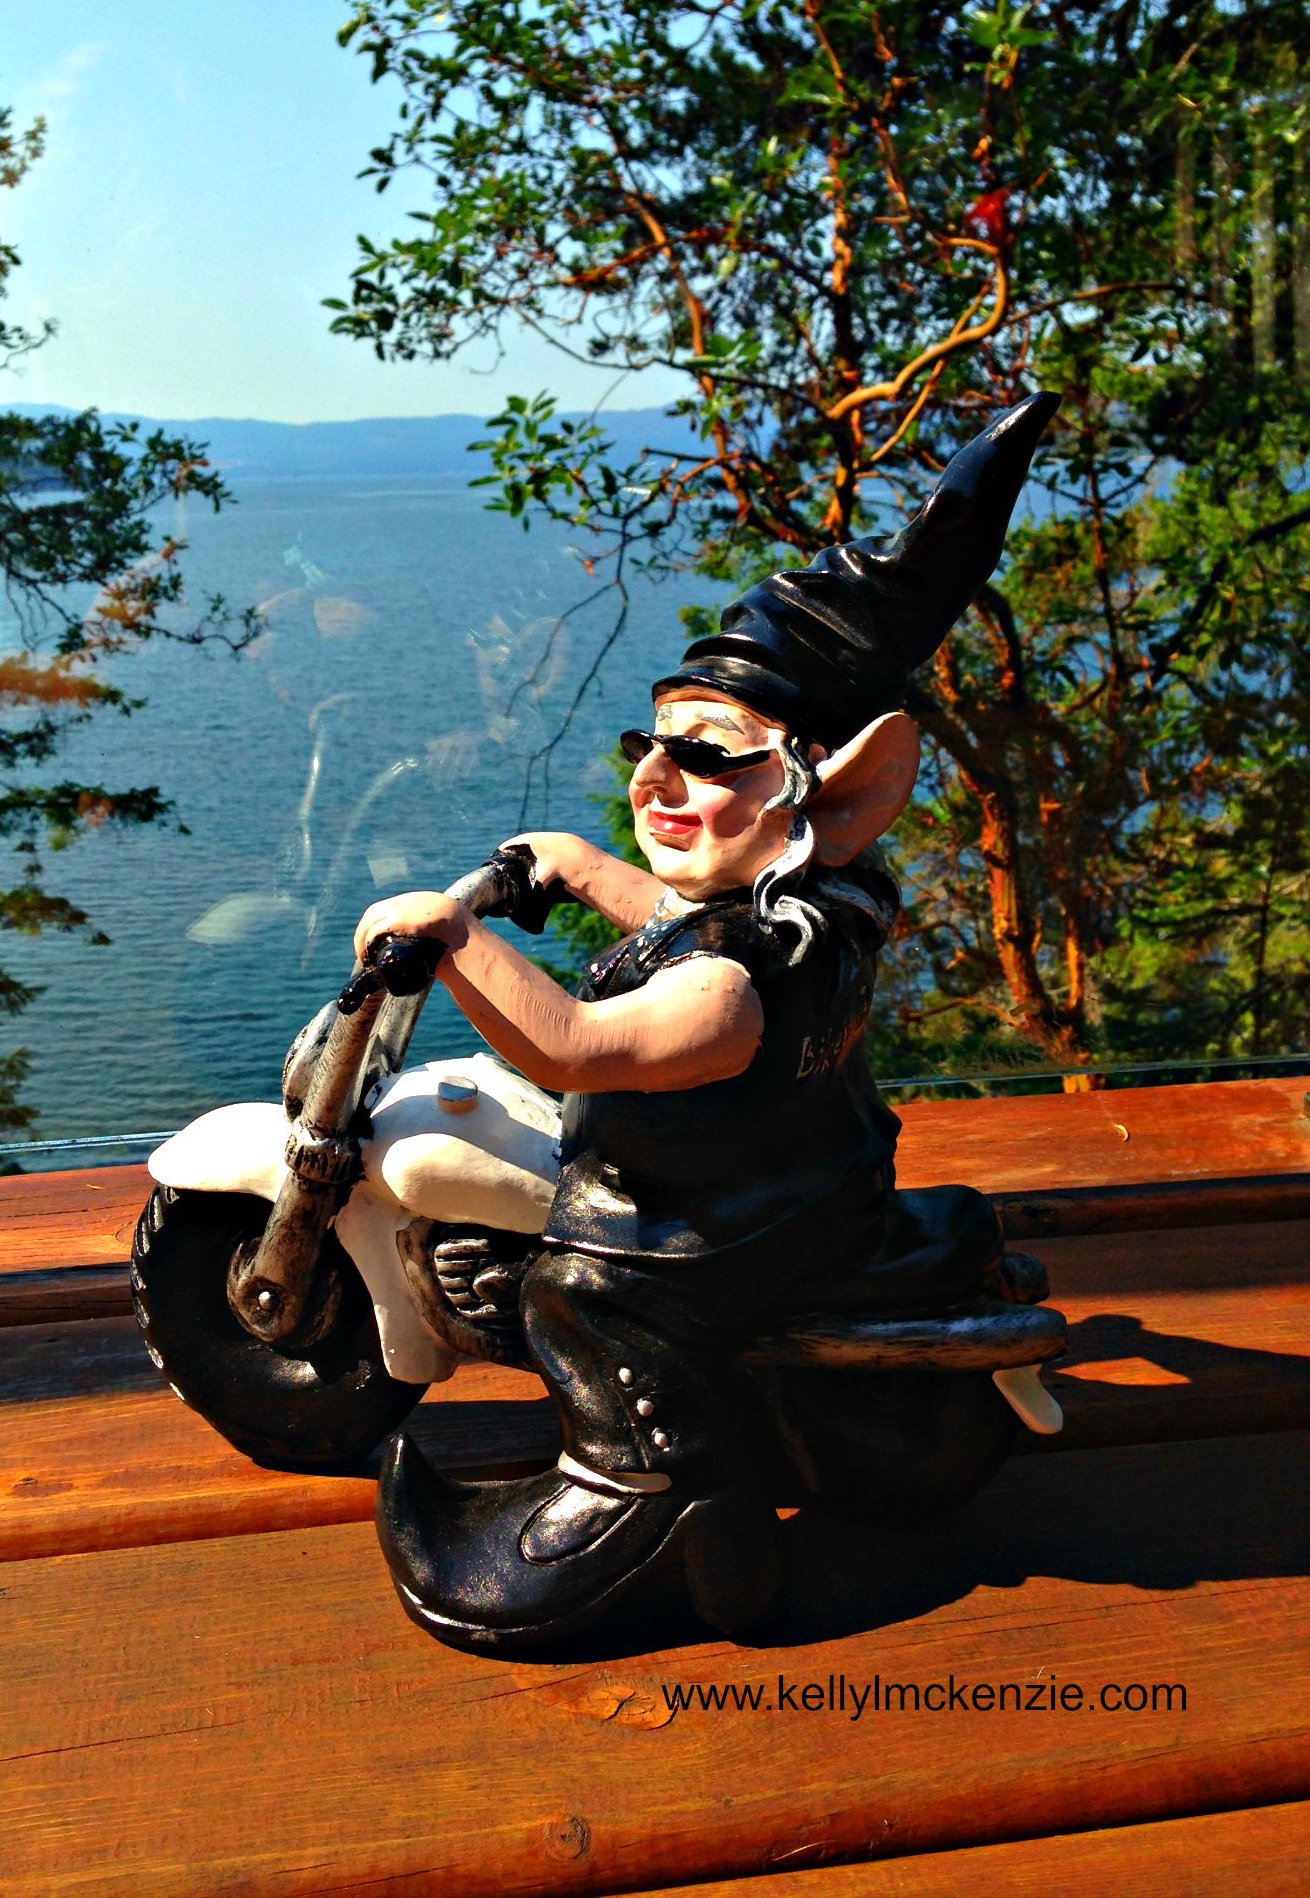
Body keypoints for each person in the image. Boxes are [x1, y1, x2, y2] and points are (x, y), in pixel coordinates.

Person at [357, 392, 1061, 1655]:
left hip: (694, 1230)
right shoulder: (809, 913)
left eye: (711, 754)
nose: (658, 775)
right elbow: (683, 918)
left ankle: (658, 1502)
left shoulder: (734, 989)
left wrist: (458, 937)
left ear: (830, 796)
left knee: (575, 1294)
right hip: (818, 1184)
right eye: (653, 739)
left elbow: (576, 1046)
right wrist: (575, 864)